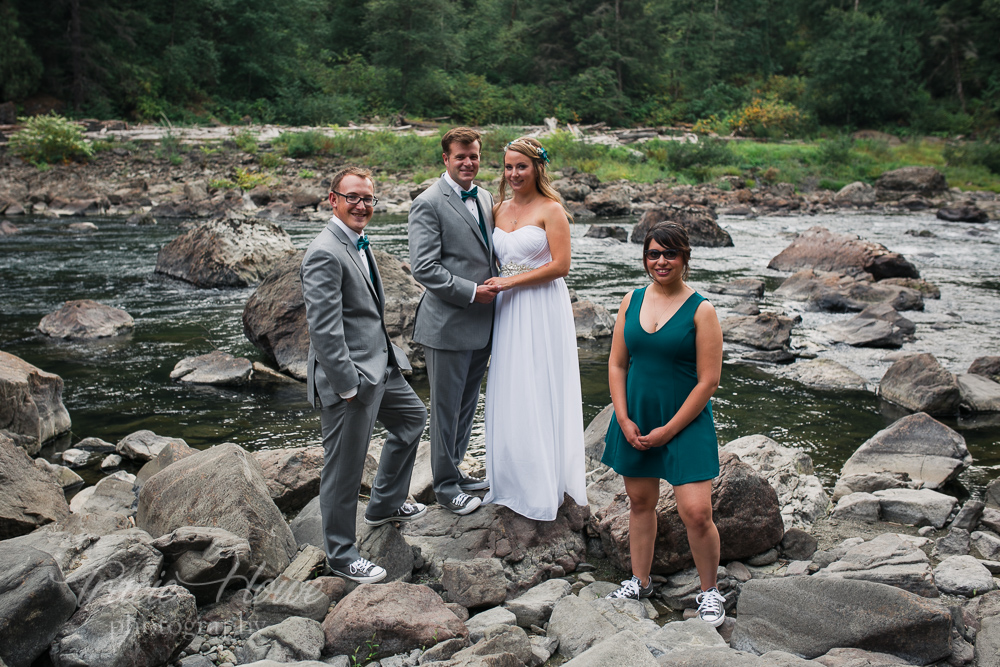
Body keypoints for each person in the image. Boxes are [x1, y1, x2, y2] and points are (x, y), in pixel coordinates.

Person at [301, 166, 428, 584]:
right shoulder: (324, 250)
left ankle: (384, 503)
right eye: (352, 197)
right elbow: (324, 329)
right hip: (351, 377)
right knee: (344, 467)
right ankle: (341, 554)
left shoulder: (357, 242)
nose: (361, 205)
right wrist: (347, 383)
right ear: (332, 199)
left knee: (411, 419)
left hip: (381, 364)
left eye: (368, 199)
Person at [601, 222, 727, 627]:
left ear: (684, 257)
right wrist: (622, 416)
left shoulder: (701, 310)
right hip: (636, 416)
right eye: (653, 254)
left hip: (684, 422)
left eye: (669, 254)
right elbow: (618, 362)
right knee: (640, 503)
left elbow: (709, 381)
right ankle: (639, 580)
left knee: (696, 512)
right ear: (645, 258)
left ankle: (710, 592)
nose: (660, 261)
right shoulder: (631, 300)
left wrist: (670, 430)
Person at [481, 137, 587, 521]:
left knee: (539, 384)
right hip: (508, 310)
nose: (513, 174)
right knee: (511, 386)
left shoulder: (551, 209)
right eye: (508, 167)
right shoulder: (495, 209)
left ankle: (543, 485)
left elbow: (561, 266)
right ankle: (510, 482)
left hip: (541, 305)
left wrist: (510, 282)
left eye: (521, 167)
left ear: (537, 168)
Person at [408, 127, 500, 515]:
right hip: (447, 324)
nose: (468, 162)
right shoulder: (428, 202)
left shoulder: (485, 196)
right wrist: (471, 292)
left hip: (484, 323)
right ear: (445, 159)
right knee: (445, 409)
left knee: (466, 405)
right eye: (461, 156)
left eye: (474, 156)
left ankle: (456, 471)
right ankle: (445, 487)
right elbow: (423, 268)